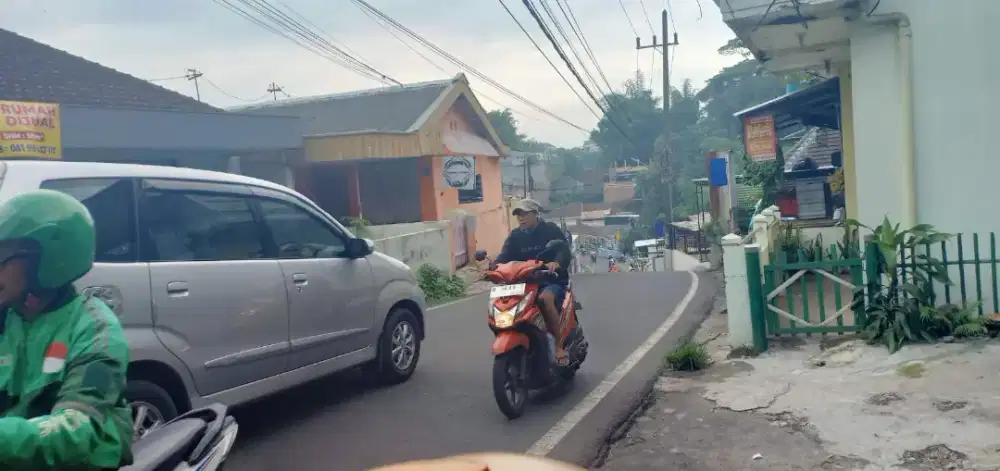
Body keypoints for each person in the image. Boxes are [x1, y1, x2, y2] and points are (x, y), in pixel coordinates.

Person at [0, 190, 133, 471]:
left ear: (48, 258)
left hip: (80, 463)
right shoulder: (8, 315)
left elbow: (75, 431)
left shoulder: (96, 329)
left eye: (2, 257)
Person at [494, 199, 572, 366]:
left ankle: (558, 346)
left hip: (551, 279)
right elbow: (504, 255)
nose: (522, 218)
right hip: (525, 282)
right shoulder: (515, 236)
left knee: (545, 299)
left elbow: (563, 250)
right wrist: (494, 265)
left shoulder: (550, 230)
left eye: (525, 214)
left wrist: (556, 263)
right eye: (518, 215)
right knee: (505, 304)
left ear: (536, 214)